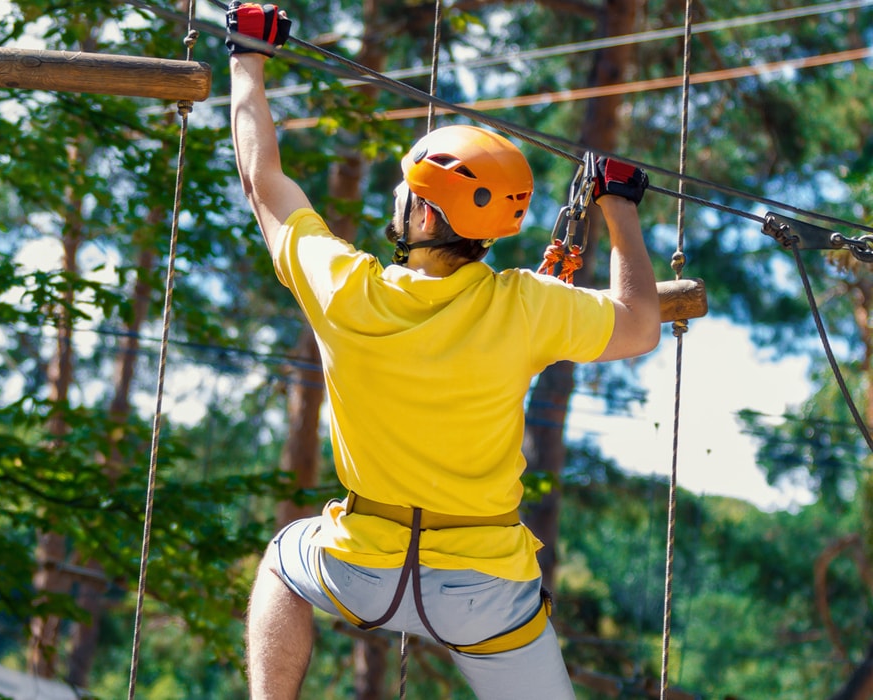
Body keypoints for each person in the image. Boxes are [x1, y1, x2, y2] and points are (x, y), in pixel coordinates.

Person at [224, 4, 661, 698]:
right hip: (484, 589)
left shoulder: (347, 290)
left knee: (282, 560)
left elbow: (262, 180)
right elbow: (639, 325)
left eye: (406, 192)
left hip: (360, 567)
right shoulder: (527, 304)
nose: (397, 198)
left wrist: (247, 57)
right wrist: (619, 208)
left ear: (425, 215)